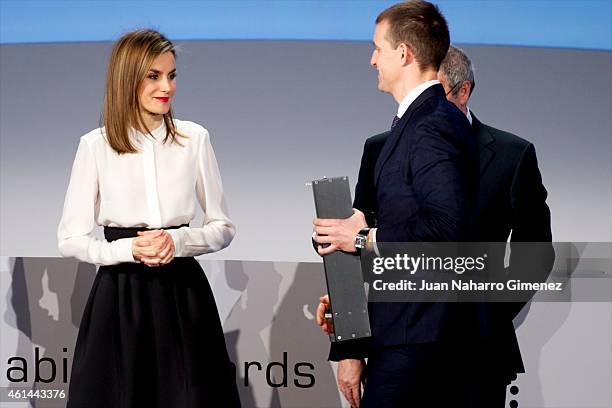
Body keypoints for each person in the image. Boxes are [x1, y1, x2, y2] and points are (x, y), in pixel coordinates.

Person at [316, 43, 555, 407]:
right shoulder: (381, 148)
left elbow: (536, 253)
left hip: (475, 354)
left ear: (463, 91)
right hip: (394, 346)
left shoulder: (511, 154)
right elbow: (349, 242)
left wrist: (486, 308)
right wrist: (349, 346)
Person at [57, 30, 240, 408]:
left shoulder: (195, 138)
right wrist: (128, 249)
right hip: (121, 293)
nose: (166, 86)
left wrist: (178, 242)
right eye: (154, 76)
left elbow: (222, 227)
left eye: (172, 75)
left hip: (182, 291)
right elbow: (70, 238)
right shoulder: (96, 145)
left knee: (190, 396)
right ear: (128, 79)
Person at [313, 1, 479, 407]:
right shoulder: (417, 121)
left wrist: (364, 237)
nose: (372, 60)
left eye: (378, 48)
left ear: (403, 53)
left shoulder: (432, 123)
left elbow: (445, 227)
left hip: (419, 340)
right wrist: (350, 229)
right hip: (408, 332)